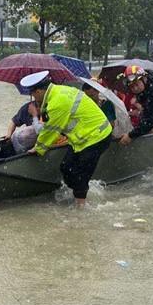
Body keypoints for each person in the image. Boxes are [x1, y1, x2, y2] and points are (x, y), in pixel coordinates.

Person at [21, 71, 112, 206]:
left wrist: (38, 148)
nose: (33, 97)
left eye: (33, 93)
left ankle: (80, 209)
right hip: (81, 139)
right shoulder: (58, 92)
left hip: (97, 137)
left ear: (39, 91)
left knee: (81, 174)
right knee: (66, 167)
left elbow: (50, 130)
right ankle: (79, 192)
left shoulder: (57, 102)